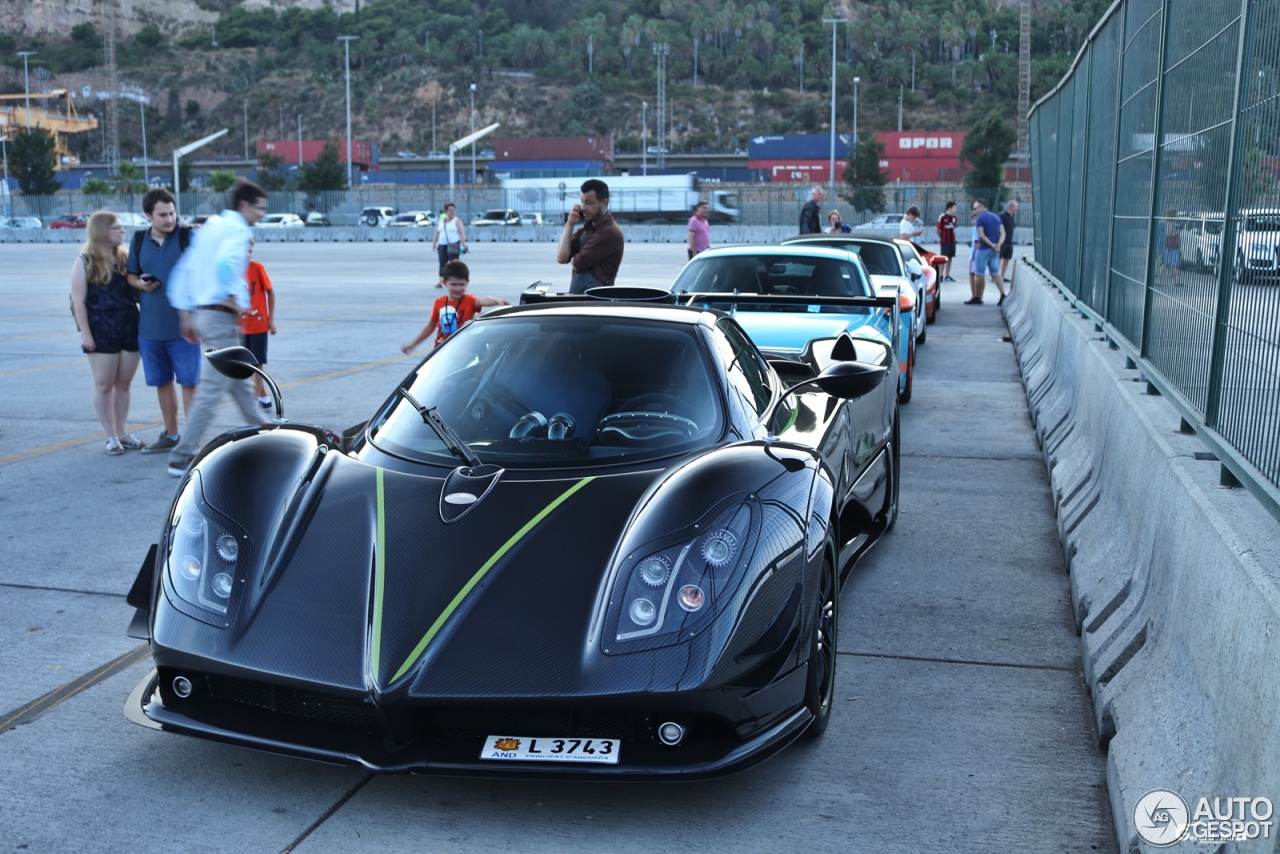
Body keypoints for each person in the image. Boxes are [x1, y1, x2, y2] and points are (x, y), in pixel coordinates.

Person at [163, 180, 271, 476]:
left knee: (237, 382)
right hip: (220, 316)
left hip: (202, 313)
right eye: (259, 208)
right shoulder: (238, 230)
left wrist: (186, 314)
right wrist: (232, 296)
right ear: (244, 206)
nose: (261, 214)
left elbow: (185, 269)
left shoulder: (211, 227)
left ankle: (266, 432)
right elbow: (226, 263)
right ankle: (180, 456)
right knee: (211, 391)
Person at [126, 188, 198, 454]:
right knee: (162, 382)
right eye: (162, 215)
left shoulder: (187, 237)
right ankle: (171, 434)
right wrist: (140, 284)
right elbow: (131, 276)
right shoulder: (138, 240)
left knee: (190, 382)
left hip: (184, 328)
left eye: (172, 213)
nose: (170, 219)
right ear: (148, 216)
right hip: (150, 329)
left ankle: (191, 439)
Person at [69, 211, 145, 455]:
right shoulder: (84, 261)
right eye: (117, 227)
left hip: (129, 323)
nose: (122, 231)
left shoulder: (125, 258)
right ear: (102, 231)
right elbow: (78, 301)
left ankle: (122, 431)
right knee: (104, 384)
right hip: (101, 327)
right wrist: (85, 334)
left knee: (124, 383)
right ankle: (110, 436)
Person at [400, 260, 510, 353]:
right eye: (453, 284)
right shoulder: (439, 302)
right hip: (441, 349)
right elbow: (430, 327)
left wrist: (496, 300)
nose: (457, 289)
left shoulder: (470, 301)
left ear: (467, 282)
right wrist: (413, 345)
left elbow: (483, 300)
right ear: (444, 283)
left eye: (461, 284)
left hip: (462, 350)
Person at [557, 178, 624, 294]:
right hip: (581, 299)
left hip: (595, 302)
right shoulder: (588, 229)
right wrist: (569, 224)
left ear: (603, 203)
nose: (582, 207)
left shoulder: (609, 232)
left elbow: (577, 264)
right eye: (582, 201)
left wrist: (573, 257)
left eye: (588, 202)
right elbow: (561, 258)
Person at [241, 239, 277, 409]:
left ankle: (254, 400)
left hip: (258, 325)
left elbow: (270, 293)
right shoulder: (232, 271)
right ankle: (263, 397)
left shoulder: (257, 268)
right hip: (241, 326)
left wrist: (270, 319)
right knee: (246, 365)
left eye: (250, 251)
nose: (247, 255)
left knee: (257, 362)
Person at [967, 199, 1007, 305]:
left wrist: (991, 244)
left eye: (976, 208)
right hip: (995, 251)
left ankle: (978, 297)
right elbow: (1003, 233)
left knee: (979, 274)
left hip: (984, 249)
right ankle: (1003, 294)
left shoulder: (980, 219)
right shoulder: (996, 217)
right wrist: (998, 244)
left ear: (981, 207)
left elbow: (981, 235)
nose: (975, 211)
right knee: (995, 272)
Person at [432, 202, 466, 288]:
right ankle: (441, 281)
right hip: (442, 245)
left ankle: (455, 281)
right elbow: (437, 232)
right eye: (450, 210)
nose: (452, 212)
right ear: (446, 211)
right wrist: (434, 243)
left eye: (453, 210)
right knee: (442, 263)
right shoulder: (441, 221)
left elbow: (461, 233)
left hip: (454, 245)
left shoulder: (457, 221)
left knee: (454, 263)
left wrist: (463, 244)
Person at [936, 200, 958, 282]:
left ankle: (947, 275)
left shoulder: (955, 218)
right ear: (949, 208)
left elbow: (953, 228)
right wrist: (941, 237)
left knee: (950, 257)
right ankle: (940, 275)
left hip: (952, 240)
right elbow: (938, 229)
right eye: (954, 208)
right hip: (945, 241)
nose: (955, 210)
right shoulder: (942, 217)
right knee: (944, 258)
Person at [999, 199, 1019, 285]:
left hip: (1009, 241)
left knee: (1006, 259)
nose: (1017, 209)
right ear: (1011, 207)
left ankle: (1002, 275)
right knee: (998, 259)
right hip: (1002, 241)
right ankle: (995, 275)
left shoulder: (1012, 216)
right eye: (1016, 207)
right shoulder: (1002, 216)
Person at [1161, 208, 1182, 286]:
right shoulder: (1170, 223)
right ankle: (1159, 281)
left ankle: (1177, 281)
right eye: (1177, 214)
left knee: (1170, 264)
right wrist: (1177, 233)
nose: (1178, 215)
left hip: (1170, 247)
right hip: (1172, 247)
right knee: (1168, 264)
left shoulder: (1169, 222)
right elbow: (1168, 234)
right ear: (1173, 215)